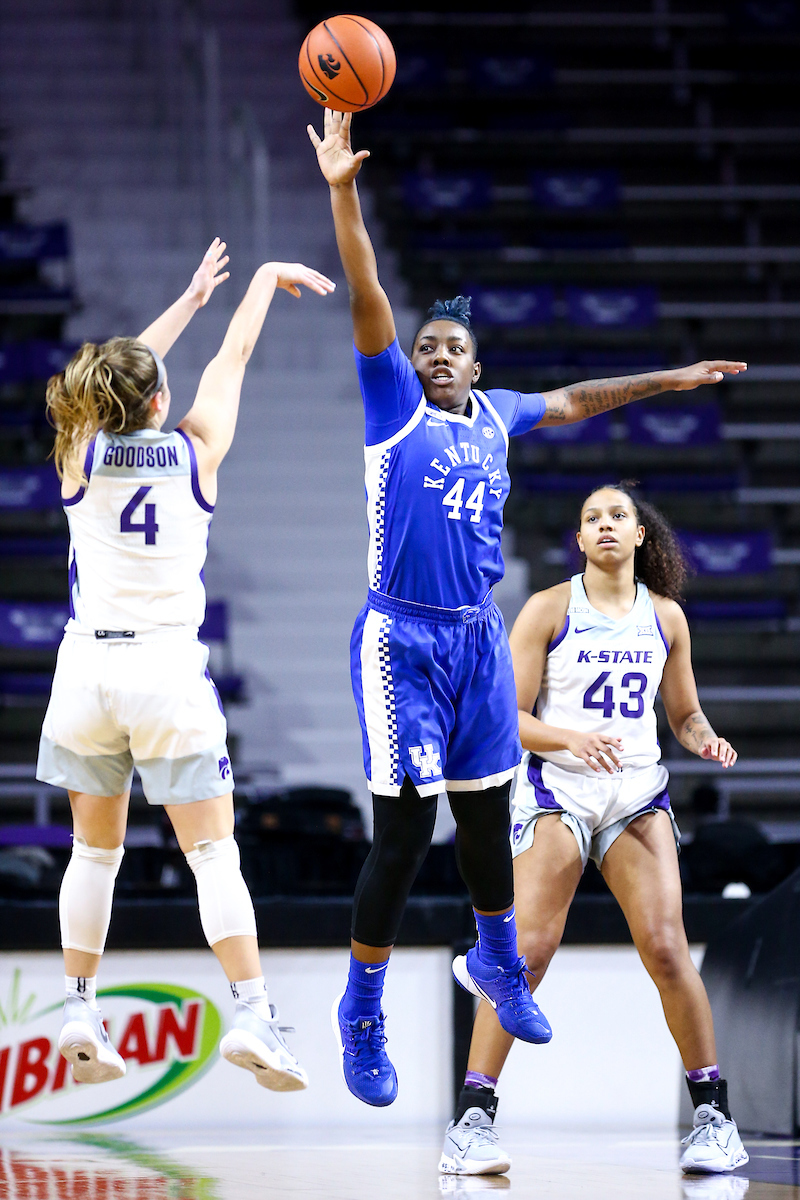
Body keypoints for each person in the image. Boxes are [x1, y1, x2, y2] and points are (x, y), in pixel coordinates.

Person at [307, 107, 747, 1110]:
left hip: (469, 637)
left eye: (451, 346)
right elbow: (368, 287)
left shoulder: (499, 413)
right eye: (425, 345)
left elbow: (580, 399)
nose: (434, 353)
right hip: (399, 638)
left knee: (477, 820)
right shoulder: (392, 404)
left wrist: (671, 378)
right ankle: (360, 1008)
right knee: (404, 830)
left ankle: (498, 963)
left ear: (476, 363)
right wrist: (341, 189)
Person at [37, 240, 335, 1093]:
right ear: (163, 400)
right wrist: (258, 287)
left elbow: (118, 381)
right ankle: (252, 1015)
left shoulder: (78, 455)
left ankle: (78, 1006)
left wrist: (182, 303)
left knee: (92, 855)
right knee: (212, 854)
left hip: (87, 669)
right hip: (168, 673)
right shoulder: (198, 448)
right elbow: (234, 357)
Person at [439, 482, 748, 1178]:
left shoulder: (666, 617)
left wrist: (705, 739)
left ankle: (713, 1116)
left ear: (641, 536)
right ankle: (473, 1120)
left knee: (668, 949)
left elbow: (684, 713)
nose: (604, 525)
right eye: (591, 518)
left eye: (618, 516)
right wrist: (570, 740)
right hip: (559, 791)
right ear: (578, 540)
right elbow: (507, 719)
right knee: (528, 956)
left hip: (637, 795)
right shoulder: (549, 609)